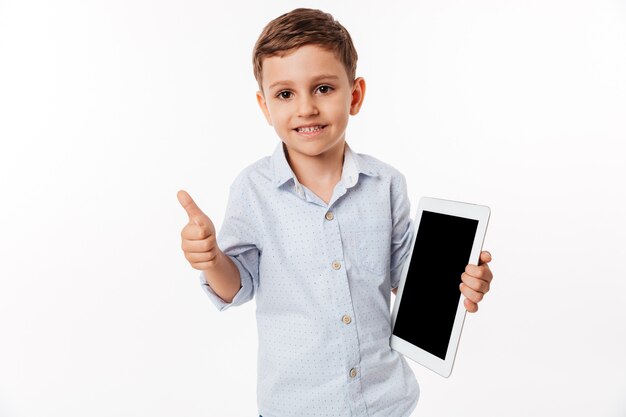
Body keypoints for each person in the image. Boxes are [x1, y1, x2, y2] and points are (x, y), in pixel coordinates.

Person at [177, 8, 493, 417]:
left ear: (355, 95)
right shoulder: (252, 190)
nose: (306, 108)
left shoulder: (386, 183)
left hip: (386, 402)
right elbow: (238, 285)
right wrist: (212, 259)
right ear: (265, 106)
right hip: (294, 406)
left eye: (323, 88)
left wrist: (461, 282)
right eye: (285, 94)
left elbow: (407, 277)